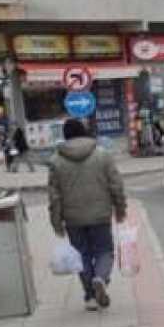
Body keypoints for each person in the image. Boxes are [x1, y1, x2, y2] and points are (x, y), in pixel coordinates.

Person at [49, 118, 127, 311]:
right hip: (100, 214)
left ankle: (90, 297)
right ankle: (100, 278)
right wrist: (120, 209)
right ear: (84, 132)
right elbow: (116, 185)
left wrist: (56, 222)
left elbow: (54, 197)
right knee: (104, 251)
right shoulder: (103, 155)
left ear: (65, 136)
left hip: (73, 218)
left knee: (82, 255)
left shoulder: (56, 161)